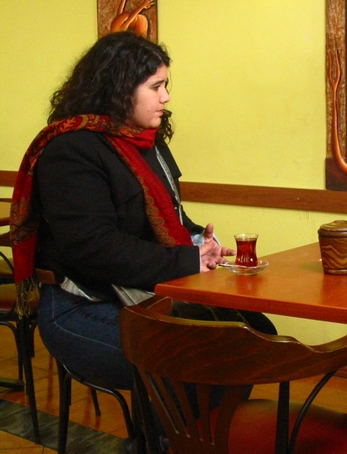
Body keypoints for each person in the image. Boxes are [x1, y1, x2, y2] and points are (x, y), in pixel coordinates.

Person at [10, 32, 276, 394]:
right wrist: (186, 260)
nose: (166, 97)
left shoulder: (147, 140)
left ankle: (203, 430)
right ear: (118, 89)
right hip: (84, 304)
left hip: (143, 293)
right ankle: (167, 433)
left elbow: (169, 218)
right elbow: (94, 248)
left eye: (165, 85)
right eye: (155, 86)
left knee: (257, 331)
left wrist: (199, 242)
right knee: (202, 364)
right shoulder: (71, 150)